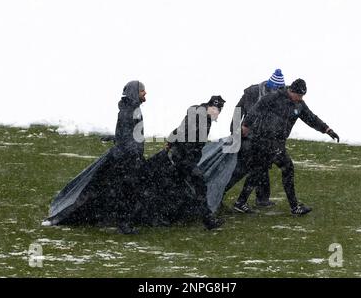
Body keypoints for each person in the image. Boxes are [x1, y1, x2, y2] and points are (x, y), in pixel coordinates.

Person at [43, 80, 147, 234]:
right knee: (126, 191)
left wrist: (117, 138)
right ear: (134, 93)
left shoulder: (132, 109)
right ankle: (124, 225)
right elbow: (129, 138)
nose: (145, 93)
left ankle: (123, 223)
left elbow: (131, 134)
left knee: (124, 190)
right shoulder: (129, 111)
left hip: (127, 156)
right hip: (126, 159)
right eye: (142, 91)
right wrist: (134, 154)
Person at [238, 78, 339, 215]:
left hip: (277, 142)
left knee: (257, 172)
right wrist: (245, 126)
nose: (300, 98)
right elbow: (256, 109)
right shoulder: (274, 97)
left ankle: (241, 202)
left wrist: (327, 129)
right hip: (264, 140)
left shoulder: (299, 105)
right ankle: (294, 207)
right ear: (291, 90)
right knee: (287, 168)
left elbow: (311, 118)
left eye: (302, 96)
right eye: (298, 95)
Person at [226, 69, 286, 213]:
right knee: (243, 168)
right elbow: (238, 112)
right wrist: (234, 132)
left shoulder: (281, 95)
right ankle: (221, 192)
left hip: (264, 138)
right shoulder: (252, 92)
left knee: (262, 165)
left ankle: (262, 198)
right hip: (247, 136)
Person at [165, 95, 227, 230]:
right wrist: (186, 156)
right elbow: (183, 132)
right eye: (217, 110)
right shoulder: (199, 116)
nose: (218, 114)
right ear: (211, 107)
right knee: (199, 185)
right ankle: (207, 219)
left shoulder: (203, 116)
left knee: (179, 185)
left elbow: (179, 130)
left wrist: (170, 141)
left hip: (184, 156)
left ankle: (174, 215)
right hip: (184, 157)